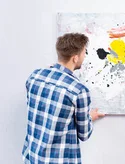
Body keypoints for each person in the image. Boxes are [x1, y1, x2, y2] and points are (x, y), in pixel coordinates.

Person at [22, 33, 106, 163]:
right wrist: (89, 117)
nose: (85, 56)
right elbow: (84, 134)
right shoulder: (78, 90)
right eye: (84, 53)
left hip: (32, 157)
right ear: (75, 58)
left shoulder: (35, 76)